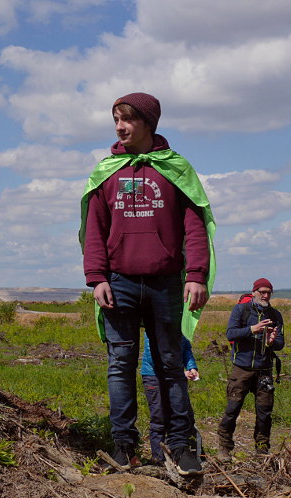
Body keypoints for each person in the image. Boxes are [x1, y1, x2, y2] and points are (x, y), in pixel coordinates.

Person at [79, 92, 215, 476]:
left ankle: (181, 447)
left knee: (170, 365)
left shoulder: (174, 169)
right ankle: (124, 447)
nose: (120, 127)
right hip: (118, 282)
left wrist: (196, 275)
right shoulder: (106, 171)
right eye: (116, 120)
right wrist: (97, 278)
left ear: (148, 123)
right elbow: (95, 229)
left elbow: (194, 226)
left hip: (166, 284)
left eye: (127, 120)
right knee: (120, 366)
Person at [217, 278, 284, 460]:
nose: (265, 295)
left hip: (265, 370)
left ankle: (262, 451)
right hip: (241, 369)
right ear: (254, 292)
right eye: (262, 291)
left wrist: (271, 342)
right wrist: (251, 329)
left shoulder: (276, 315)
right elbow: (230, 333)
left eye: (269, 292)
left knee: (264, 413)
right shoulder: (241, 310)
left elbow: (280, 344)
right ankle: (224, 448)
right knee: (233, 409)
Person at [142, 333, 199, 464]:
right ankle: (159, 459)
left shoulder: (183, 326)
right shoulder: (154, 325)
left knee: (184, 415)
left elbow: (186, 349)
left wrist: (191, 367)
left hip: (176, 375)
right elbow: (152, 355)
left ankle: (185, 453)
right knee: (159, 417)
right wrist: (180, 372)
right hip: (153, 376)